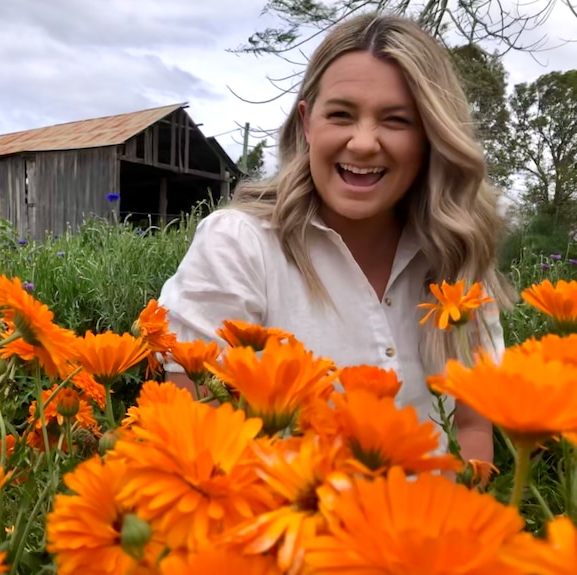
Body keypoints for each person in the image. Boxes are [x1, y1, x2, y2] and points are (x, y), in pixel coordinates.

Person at [157, 13, 514, 464]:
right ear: (308, 124)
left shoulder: (456, 260)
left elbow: (472, 425)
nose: (363, 143)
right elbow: (194, 434)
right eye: (341, 114)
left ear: (430, 136)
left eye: (396, 120)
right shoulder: (239, 246)